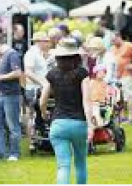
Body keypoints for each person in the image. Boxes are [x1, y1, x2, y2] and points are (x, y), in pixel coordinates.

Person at [40, 38, 89, 184]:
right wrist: (92, 125)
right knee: (80, 164)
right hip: (79, 124)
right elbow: (87, 101)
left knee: (63, 166)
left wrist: (44, 113)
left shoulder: (51, 74)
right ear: (76, 55)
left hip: (58, 124)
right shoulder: (82, 74)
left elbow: (42, 100)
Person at [0, 33, 23, 161]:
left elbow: (18, 73)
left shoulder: (12, 54)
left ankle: (14, 154)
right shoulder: (1, 56)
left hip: (11, 95)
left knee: (13, 126)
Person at [23, 32, 51, 151]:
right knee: (33, 116)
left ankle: (39, 139)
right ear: (39, 41)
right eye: (46, 41)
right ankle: (32, 142)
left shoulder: (39, 54)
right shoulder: (31, 54)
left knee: (38, 116)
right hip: (33, 89)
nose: (48, 43)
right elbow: (28, 72)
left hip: (41, 89)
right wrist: (43, 83)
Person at [111, 31, 132, 123]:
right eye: (112, 41)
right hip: (115, 76)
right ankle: (121, 117)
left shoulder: (128, 45)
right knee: (118, 97)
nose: (113, 42)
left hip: (126, 75)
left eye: (114, 40)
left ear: (119, 37)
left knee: (129, 96)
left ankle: (130, 117)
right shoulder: (113, 48)